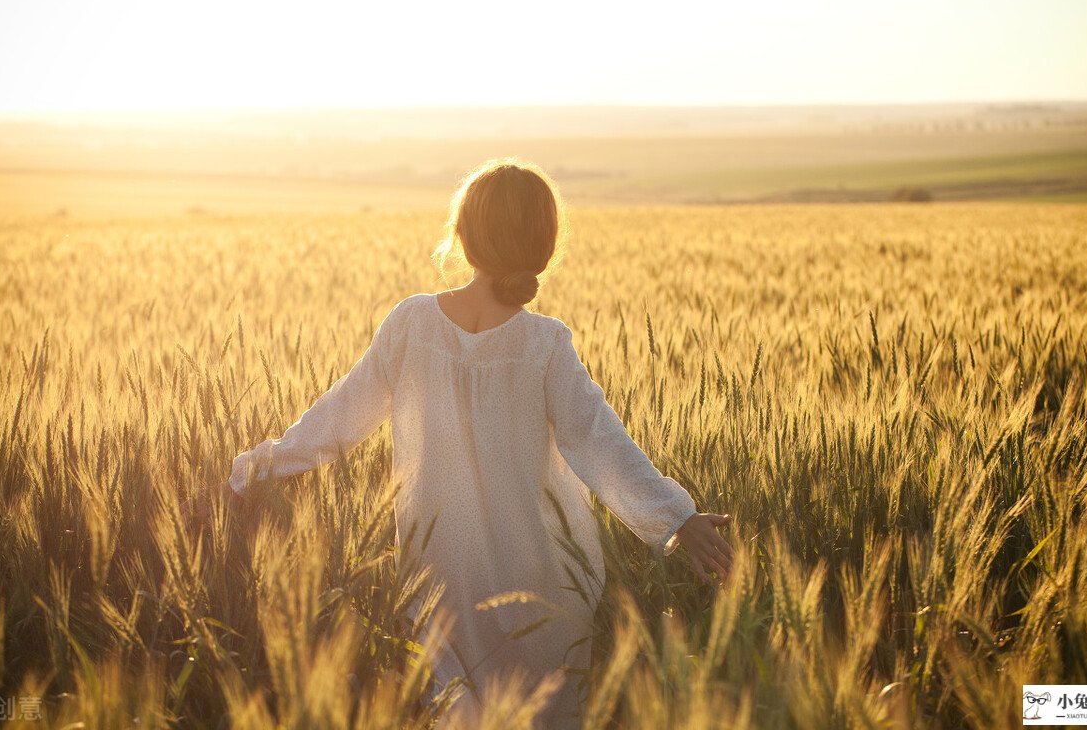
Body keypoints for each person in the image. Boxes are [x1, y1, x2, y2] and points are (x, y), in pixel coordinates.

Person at [206, 158, 734, 727]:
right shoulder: (545, 344)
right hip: (542, 579)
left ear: (463, 235)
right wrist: (675, 518)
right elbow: (599, 443)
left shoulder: (412, 325)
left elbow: (336, 418)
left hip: (439, 575)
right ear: (544, 246)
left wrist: (253, 470)